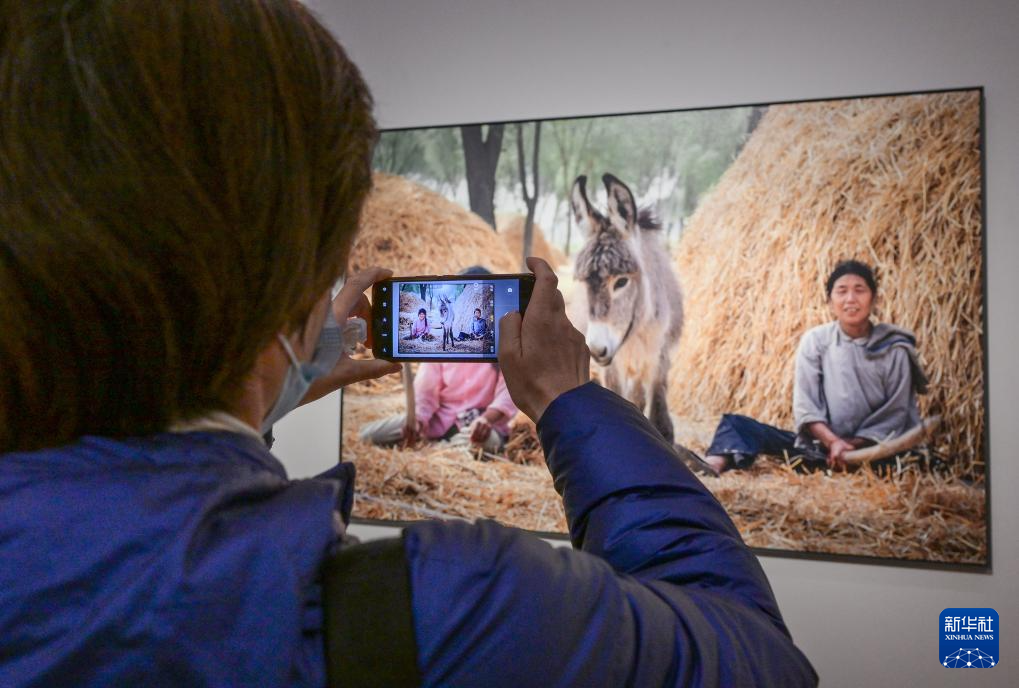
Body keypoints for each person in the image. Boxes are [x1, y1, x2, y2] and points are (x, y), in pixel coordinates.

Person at [0, 2, 816, 686]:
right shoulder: (461, 610)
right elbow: (757, 657)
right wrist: (574, 404)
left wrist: (255, 404)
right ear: (296, 287)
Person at [699, 260, 928, 475]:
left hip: (876, 451)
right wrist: (833, 442)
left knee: (917, 463)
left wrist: (853, 445)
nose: (850, 299)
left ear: (874, 299)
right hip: (822, 449)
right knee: (736, 425)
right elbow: (806, 406)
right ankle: (712, 466)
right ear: (830, 301)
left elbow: (896, 413)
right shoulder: (817, 341)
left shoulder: (894, 348)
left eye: (859, 290)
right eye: (841, 291)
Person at [362, 266, 516, 454]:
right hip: (440, 423)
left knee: (479, 442)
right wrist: (417, 420)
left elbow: (507, 396)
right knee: (370, 435)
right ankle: (442, 447)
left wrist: (486, 420)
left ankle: (446, 450)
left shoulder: (502, 347)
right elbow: (426, 391)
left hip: (480, 424)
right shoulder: (443, 347)